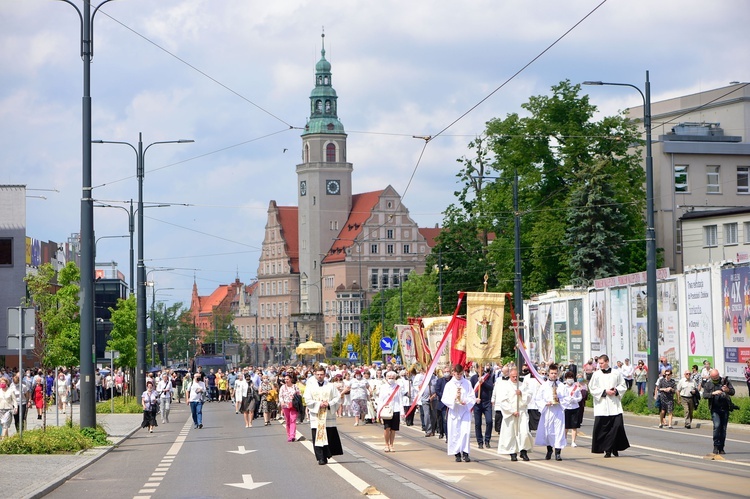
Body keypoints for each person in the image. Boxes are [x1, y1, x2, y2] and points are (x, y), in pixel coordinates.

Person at [588, 354, 630, 458]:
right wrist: (604, 391)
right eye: (599, 363)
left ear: (607, 362)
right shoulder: (596, 374)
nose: (600, 365)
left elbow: (623, 385)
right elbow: (592, 388)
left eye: (602, 363)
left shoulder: (616, 373)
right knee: (603, 429)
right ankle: (607, 450)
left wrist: (616, 391)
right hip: (602, 406)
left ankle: (614, 447)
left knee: (617, 427)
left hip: (614, 405)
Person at [304, 366, 343, 465]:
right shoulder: (310, 386)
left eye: (321, 374)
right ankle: (320, 457)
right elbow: (307, 399)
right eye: (318, 374)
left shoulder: (330, 386)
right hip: (316, 415)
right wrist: (318, 404)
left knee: (328, 435)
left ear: (325, 375)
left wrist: (329, 404)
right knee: (317, 436)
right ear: (315, 374)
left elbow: (337, 398)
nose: (320, 376)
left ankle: (326, 455)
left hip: (328, 415)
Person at [533, 364, 571, 461]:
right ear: (548, 374)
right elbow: (538, 399)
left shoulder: (562, 386)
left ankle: (558, 452)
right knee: (548, 432)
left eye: (555, 373)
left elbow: (567, 398)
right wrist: (546, 403)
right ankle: (549, 450)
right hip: (548, 411)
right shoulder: (544, 386)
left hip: (558, 411)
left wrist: (560, 400)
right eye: (552, 373)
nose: (553, 375)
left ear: (558, 374)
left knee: (559, 432)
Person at [494, 368, 532, 461]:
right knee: (511, 433)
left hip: (521, 412)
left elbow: (529, 397)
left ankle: (523, 451)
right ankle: (513, 452)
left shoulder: (522, 385)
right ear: (509, 376)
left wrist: (521, 393)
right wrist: (511, 411)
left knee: (524, 432)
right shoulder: (505, 386)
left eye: (516, 376)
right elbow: (503, 401)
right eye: (513, 377)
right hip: (511, 413)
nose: (515, 378)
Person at [441, 364, 476, 462]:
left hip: (464, 410)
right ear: (453, 373)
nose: (459, 376)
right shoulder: (449, 385)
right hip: (454, 411)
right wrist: (453, 400)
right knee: (455, 432)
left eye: (461, 374)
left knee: (465, 432)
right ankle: (457, 453)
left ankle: (465, 452)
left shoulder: (467, 383)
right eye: (457, 374)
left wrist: (466, 401)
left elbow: (472, 396)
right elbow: (444, 398)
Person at [702, 368, 735, 455]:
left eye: (717, 377)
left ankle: (721, 448)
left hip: (725, 409)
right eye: (714, 377)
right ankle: (716, 446)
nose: (716, 379)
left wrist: (727, 390)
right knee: (717, 426)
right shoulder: (708, 384)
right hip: (715, 409)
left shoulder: (725, 382)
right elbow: (704, 395)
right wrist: (713, 393)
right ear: (711, 377)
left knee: (723, 429)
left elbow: (732, 392)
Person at [378, 371, 407, 452]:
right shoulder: (383, 387)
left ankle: (391, 444)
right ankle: (386, 444)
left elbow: (400, 400)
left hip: (396, 409)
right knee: (387, 428)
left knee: (393, 429)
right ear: (386, 378)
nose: (391, 379)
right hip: (386, 410)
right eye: (389, 378)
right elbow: (380, 400)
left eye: (392, 378)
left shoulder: (398, 387)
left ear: (395, 378)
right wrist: (378, 413)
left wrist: (402, 412)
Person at [470, 364, 495, 449]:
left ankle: (487, 440)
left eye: (482, 368)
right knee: (478, 423)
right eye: (479, 368)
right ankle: (480, 441)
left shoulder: (488, 377)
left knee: (489, 421)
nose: (481, 370)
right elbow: (470, 391)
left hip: (486, 402)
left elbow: (491, 387)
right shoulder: (473, 378)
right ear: (476, 369)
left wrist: (483, 382)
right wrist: (475, 398)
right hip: (477, 403)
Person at [279, 372, 301, 442]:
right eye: (285, 379)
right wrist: (282, 402)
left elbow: (299, 394)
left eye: (287, 379)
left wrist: (296, 398)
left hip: (294, 406)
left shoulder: (295, 386)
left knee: (293, 420)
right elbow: (280, 396)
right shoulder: (282, 387)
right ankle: (289, 435)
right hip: (285, 406)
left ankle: (292, 435)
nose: (286, 381)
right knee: (288, 420)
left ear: (291, 379)